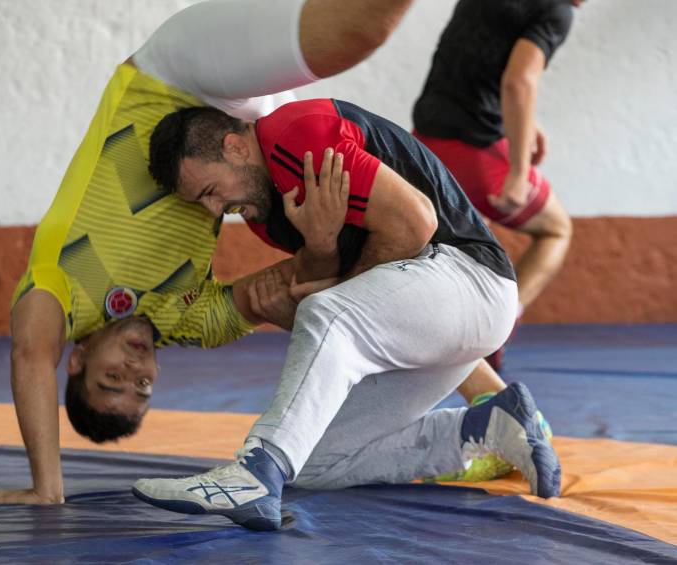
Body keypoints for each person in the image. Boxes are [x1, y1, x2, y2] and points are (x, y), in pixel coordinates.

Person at [0, 0, 419, 506]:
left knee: (356, 32)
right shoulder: (192, 324)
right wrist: (311, 270)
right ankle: (485, 394)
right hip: (238, 139)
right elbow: (306, 286)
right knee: (379, 246)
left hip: (171, 82)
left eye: (112, 377)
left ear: (77, 360)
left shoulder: (61, 293)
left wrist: (48, 490)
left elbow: (29, 355)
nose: (136, 371)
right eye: (141, 388)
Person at [131, 98, 561, 531]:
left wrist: (322, 293)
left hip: (472, 280)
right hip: (439, 317)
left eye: (209, 191)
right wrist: (320, 253)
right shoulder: (266, 211)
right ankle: (489, 426)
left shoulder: (296, 134)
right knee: (318, 462)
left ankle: (257, 471)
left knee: (328, 310)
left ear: (236, 148)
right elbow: (349, 283)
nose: (212, 210)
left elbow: (415, 224)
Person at [412, 0, 585, 369]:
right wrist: (518, 175)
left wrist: (522, 124)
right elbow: (518, 81)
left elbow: (473, 57)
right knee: (556, 230)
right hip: (471, 151)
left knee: (455, 241)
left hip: (424, 143)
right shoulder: (556, 11)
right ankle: (497, 329)